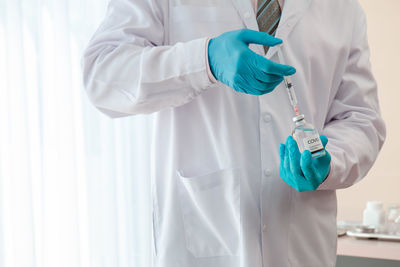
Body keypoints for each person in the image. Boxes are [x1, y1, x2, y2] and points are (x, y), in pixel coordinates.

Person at [82, 0, 386, 266]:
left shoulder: (343, 8)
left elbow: (361, 119)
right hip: (204, 237)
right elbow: (103, 75)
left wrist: (331, 159)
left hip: (304, 246)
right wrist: (205, 60)